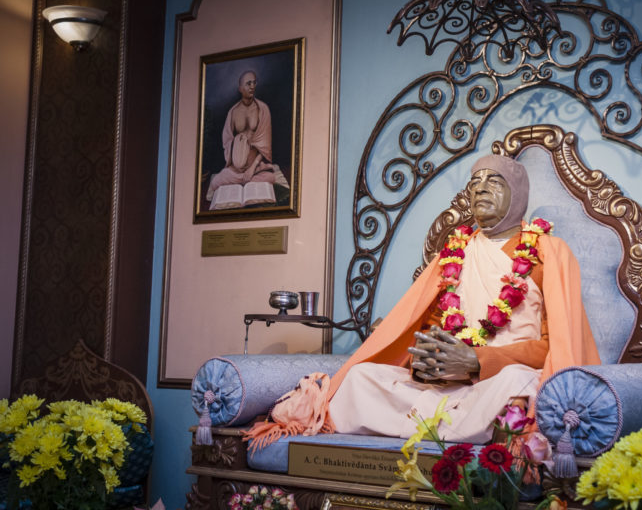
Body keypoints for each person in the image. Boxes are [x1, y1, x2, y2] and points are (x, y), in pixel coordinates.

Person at [244, 154, 600, 449]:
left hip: (498, 379)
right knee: (360, 378)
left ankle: (443, 424)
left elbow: (556, 347)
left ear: (518, 192)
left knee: (517, 386)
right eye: (475, 182)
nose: (480, 188)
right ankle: (456, 426)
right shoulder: (455, 252)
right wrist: (428, 363)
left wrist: (476, 362)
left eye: (493, 181)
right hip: (447, 385)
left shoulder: (547, 252)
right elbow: (427, 329)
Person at [205, 69, 289, 203]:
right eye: (248, 83)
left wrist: (252, 168)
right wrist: (238, 147)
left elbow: (264, 144)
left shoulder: (263, 109)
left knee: (271, 178)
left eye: (254, 83)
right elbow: (227, 140)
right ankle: (243, 179)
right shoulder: (233, 112)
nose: (252, 86)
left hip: (255, 167)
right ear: (240, 88)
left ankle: (248, 177)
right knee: (215, 182)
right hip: (236, 169)